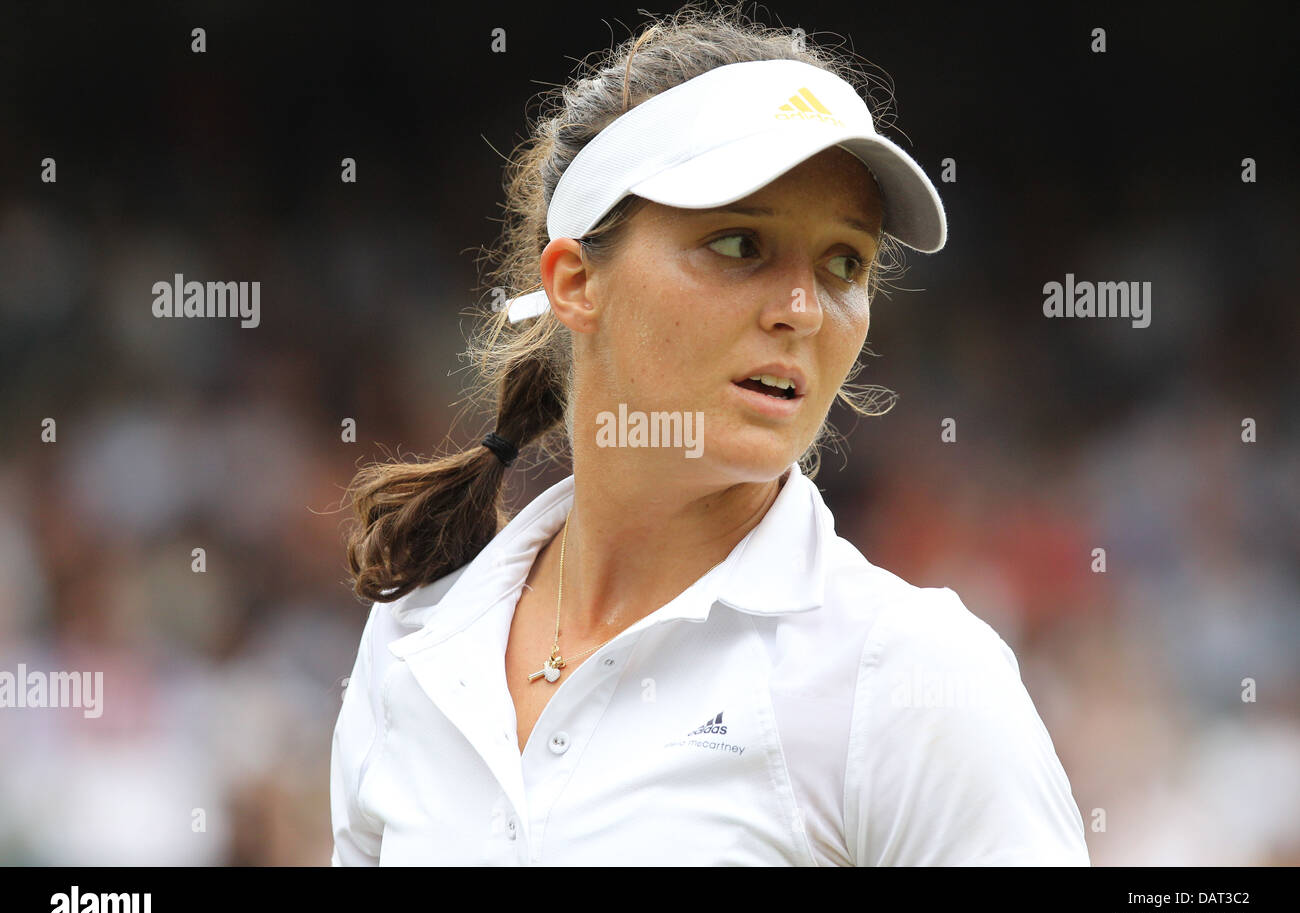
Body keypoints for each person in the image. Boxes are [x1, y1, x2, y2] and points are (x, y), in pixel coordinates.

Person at [331, 5, 1090, 866]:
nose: (802, 310)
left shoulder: (913, 675)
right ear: (577, 282)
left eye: (846, 262)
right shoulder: (417, 638)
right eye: (739, 244)